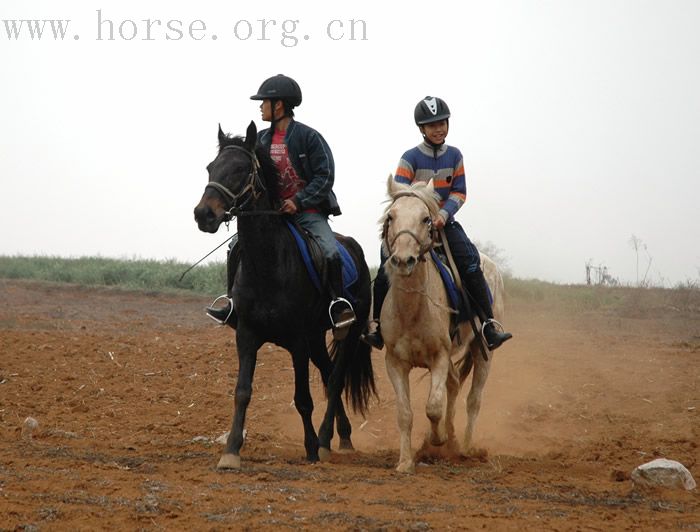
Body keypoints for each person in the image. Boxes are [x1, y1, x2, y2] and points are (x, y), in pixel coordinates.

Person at [206, 74, 355, 339]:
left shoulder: (310, 138)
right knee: (235, 246)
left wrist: (298, 201)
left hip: (307, 214)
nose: (260, 107)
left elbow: (325, 176)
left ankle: (336, 305)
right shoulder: (260, 140)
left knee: (330, 251)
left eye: (264, 102)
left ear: (279, 105)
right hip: (271, 216)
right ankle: (233, 304)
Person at [362, 96, 512, 350]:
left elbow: (459, 192)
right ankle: (378, 325)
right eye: (432, 125)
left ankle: (488, 324)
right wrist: (419, 217)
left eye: (442, 122)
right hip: (415, 225)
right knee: (386, 262)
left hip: (445, 223)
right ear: (421, 129)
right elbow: (401, 193)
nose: (439, 128)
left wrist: (442, 215)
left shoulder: (454, 156)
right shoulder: (410, 158)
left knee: (470, 263)